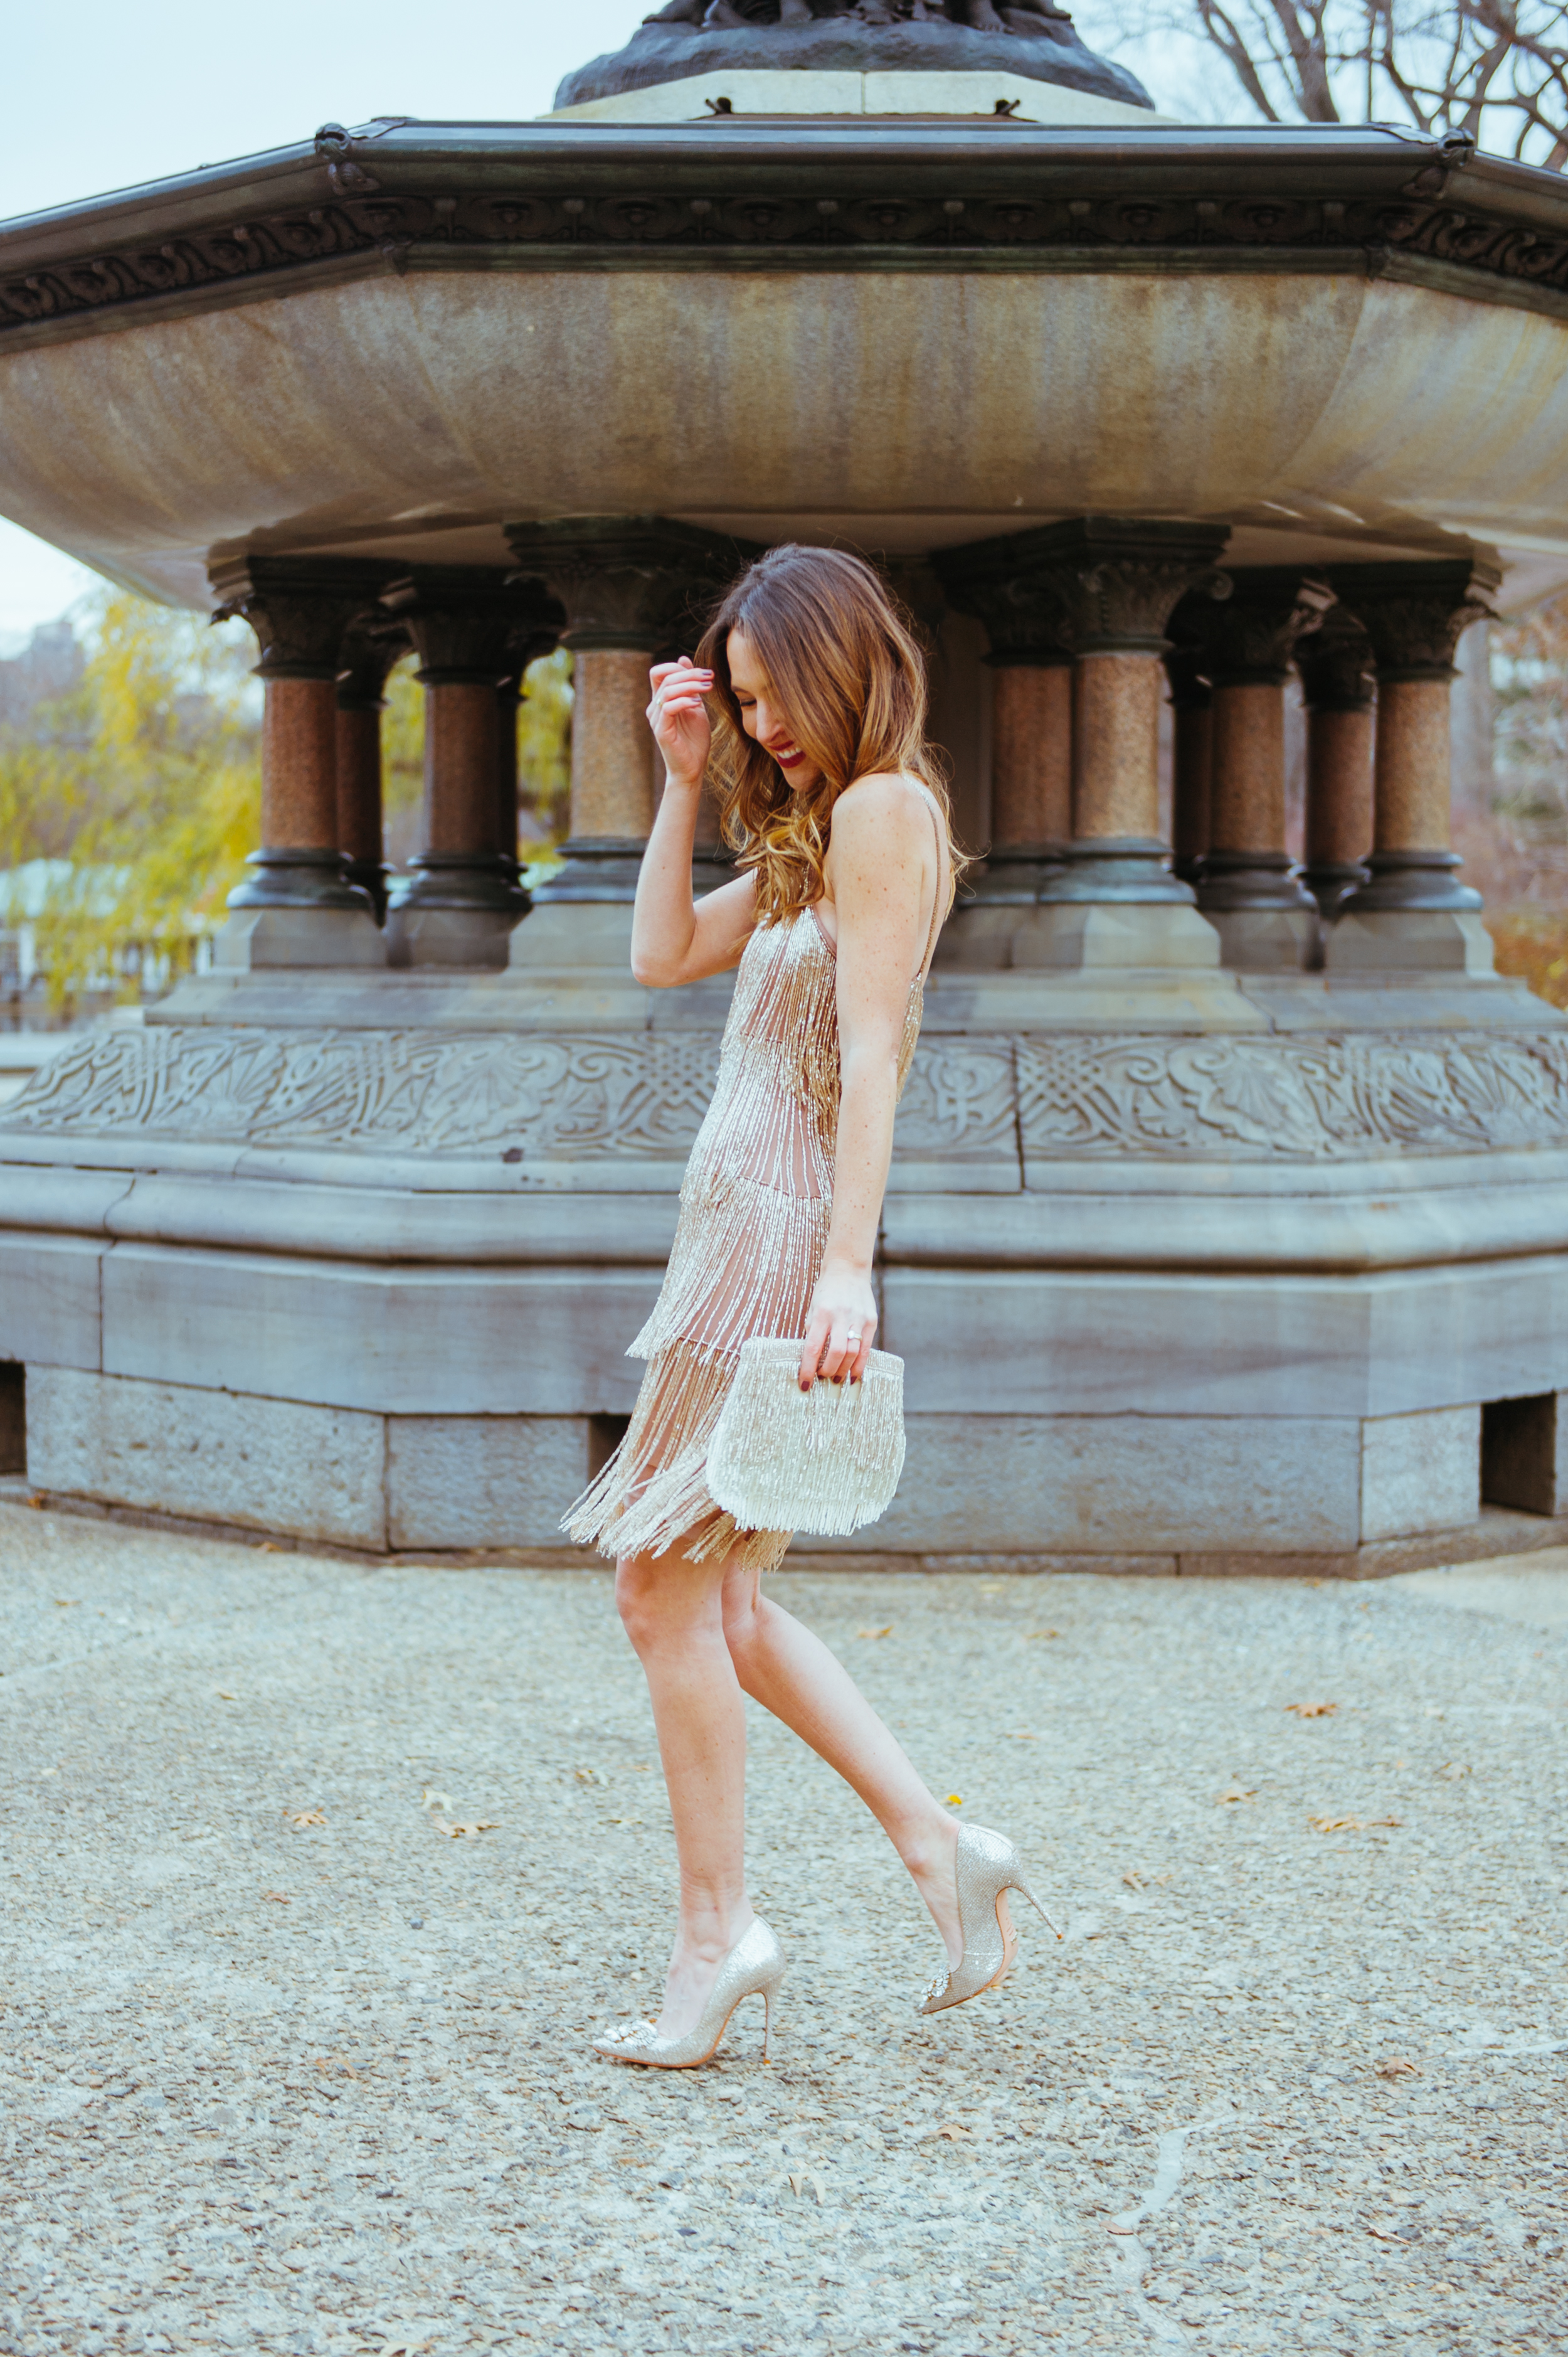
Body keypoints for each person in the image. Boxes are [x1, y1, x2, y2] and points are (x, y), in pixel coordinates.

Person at [565, 546, 1055, 2068]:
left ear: (845, 664)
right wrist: (677, 775)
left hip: (779, 1239)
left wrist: (847, 1264)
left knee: (662, 1594)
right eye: (751, 700)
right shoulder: (810, 842)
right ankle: (937, 1846)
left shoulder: (882, 812)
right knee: (724, 1605)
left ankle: (717, 1941)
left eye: (778, 694)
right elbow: (657, 954)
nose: (766, 724)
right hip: (736, 1229)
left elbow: (877, 1054)